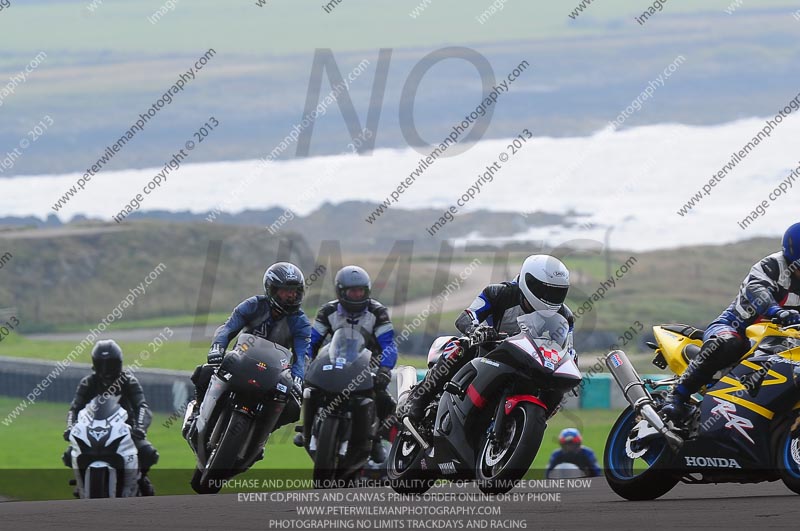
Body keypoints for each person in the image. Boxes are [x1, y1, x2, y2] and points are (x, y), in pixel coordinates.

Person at [404, 254, 576, 428]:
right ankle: (419, 398)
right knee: (460, 346)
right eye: (545, 290)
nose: (550, 297)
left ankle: (529, 425)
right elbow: (466, 316)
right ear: (528, 281)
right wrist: (476, 330)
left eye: (557, 292)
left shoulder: (565, 316)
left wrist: (570, 365)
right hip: (489, 351)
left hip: (528, 362)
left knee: (557, 388)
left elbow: (567, 348)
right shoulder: (499, 293)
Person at [662, 223, 800, 423]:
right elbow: (756, 290)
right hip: (736, 327)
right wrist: (776, 311)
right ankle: (676, 395)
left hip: (781, 340)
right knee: (728, 343)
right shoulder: (771, 266)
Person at [183, 262, 311, 437]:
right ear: (271, 289)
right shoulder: (253, 305)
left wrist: (298, 379)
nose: (292, 295)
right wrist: (217, 348)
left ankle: (261, 436)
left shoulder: (301, 322)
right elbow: (227, 328)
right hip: (240, 361)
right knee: (204, 372)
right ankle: (197, 412)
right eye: (285, 290)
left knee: (293, 407)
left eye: (295, 290)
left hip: (274, 372)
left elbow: (302, 355)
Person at [294, 265, 397, 463]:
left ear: (367, 291)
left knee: (385, 402)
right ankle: (306, 428)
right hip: (333, 362)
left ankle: (375, 440)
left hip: (368, 367)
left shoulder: (378, 312)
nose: (357, 295)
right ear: (341, 292)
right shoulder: (328, 311)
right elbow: (312, 341)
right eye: (352, 291)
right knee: (307, 388)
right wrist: (305, 362)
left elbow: (389, 344)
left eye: (361, 291)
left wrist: (384, 368)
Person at [63, 339, 159, 496]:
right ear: (95, 364)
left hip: (126, 432)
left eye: (111, 364)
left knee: (148, 453)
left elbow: (142, 407)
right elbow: (74, 408)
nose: (106, 369)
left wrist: (140, 428)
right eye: (102, 364)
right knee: (68, 455)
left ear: (119, 363)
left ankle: (141, 479)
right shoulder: (88, 383)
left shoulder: (128, 381)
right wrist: (69, 427)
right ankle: (81, 483)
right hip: (91, 430)